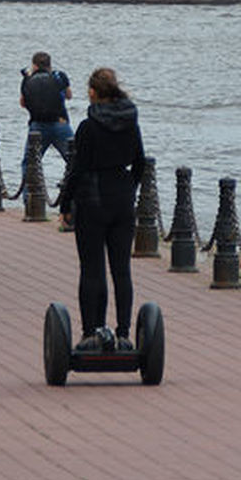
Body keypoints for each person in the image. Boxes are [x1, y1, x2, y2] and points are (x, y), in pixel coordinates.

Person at [57, 67, 146, 352]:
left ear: (94, 93)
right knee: (121, 270)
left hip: (92, 200)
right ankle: (123, 334)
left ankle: (91, 332)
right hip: (122, 198)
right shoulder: (131, 123)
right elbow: (140, 163)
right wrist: (128, 188)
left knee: (92, 269)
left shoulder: (88, 126)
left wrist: (66, 203)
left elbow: (78, 168)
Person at [19, 50, 73, 182]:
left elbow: (23, 103)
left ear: (34, 65)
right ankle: (78, 196)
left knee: (30, 164)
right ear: (49, 65)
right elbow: (69, 96)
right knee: (74, 160)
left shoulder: (28, 79)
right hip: (60, 123)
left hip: (37, 125)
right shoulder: (59, 76)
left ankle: (29, 198)